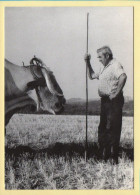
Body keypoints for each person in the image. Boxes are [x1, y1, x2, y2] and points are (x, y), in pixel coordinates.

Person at [84, 46, 127, 164]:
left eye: (100, 57)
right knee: (102, 127)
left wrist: (116, 93)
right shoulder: (103, 66)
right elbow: (92, 76)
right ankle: (103, 154)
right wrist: (87, 62)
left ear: (107, 56)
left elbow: (123, 76)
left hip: (114, 101)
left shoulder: (115, 65)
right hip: (104, 101)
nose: (98, 59)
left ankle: (113, 157)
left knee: (112, 127)